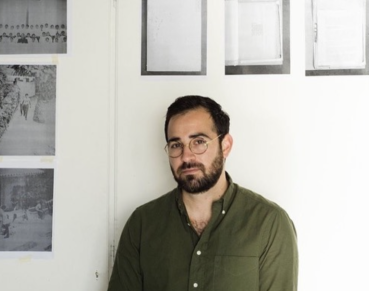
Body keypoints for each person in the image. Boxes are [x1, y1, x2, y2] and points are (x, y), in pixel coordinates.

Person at [108, 95, 298, 291]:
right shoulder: (142, 224)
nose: (186, 156)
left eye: (198, 141)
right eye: (176, 145)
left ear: (225, 146)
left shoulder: (269, 223)